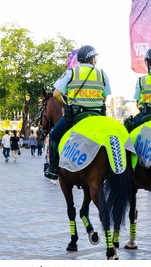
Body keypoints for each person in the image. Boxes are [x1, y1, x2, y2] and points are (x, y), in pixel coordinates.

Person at [44, 45, 111, 179]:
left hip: (76, 116)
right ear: (92, 59)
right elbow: (104, 99)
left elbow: (56, 94)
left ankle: (53, 169)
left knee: (55, 136)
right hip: (97, 116)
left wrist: (66, 104)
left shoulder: (71, 72)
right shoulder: (102, 74)